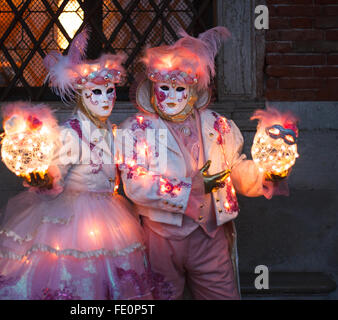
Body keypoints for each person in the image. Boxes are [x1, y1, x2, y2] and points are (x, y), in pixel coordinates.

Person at [0, 30, 160, 300]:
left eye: (109, 92)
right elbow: (54, 174)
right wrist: (45, 180)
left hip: (110, 212)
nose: (104, 99)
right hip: (74, 218)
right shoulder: (71, 132)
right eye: (96, 92)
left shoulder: (111, 129)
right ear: (81, 95)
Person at [117, 27, 290, 300]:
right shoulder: (136, 131)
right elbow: (135, 184)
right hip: (161, 236)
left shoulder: (219, 126)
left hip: (210, 236)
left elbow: (235, 169)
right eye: (164, 88)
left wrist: (266, 173)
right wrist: (192, 186)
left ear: (194, 90)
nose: (172, 96)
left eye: (180, 89)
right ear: (151, 90)